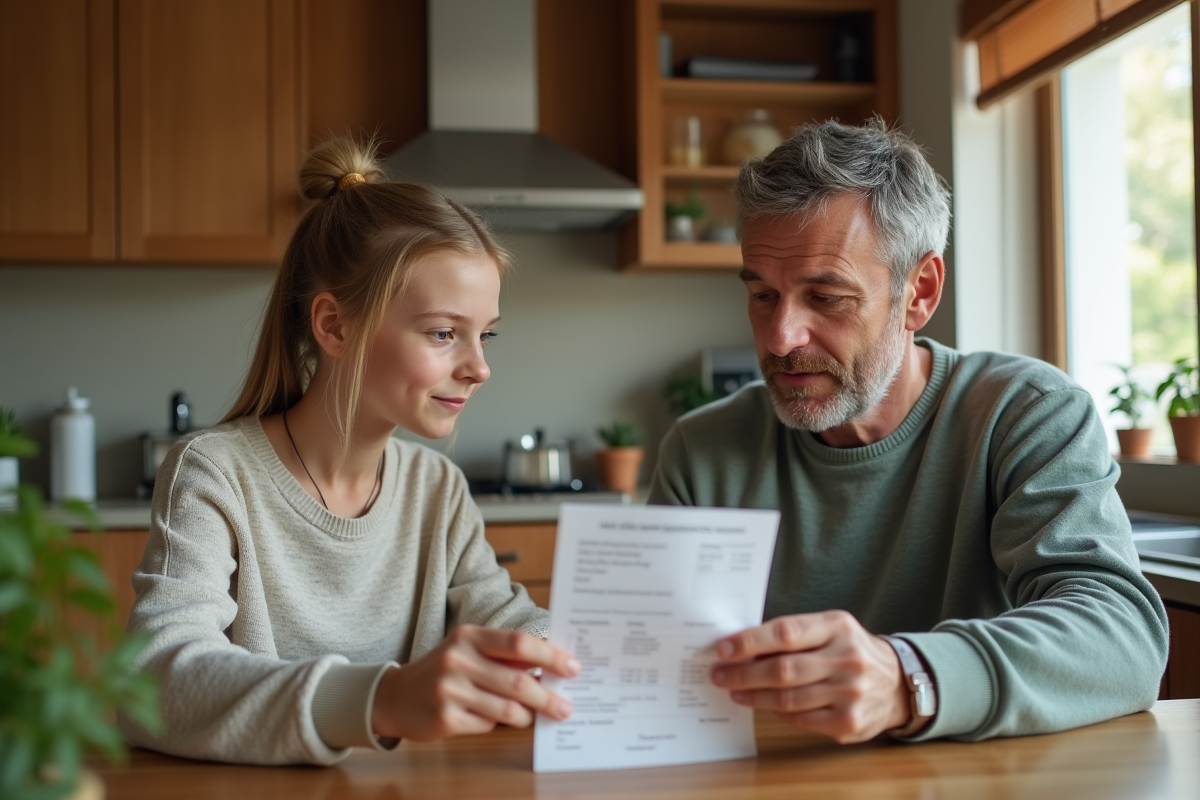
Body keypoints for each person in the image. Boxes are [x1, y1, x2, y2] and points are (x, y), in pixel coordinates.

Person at [649, 118, 1168, 744]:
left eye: (826, 297)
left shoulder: (1027, 414)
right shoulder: (702, 452)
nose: (781, 338)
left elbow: (1123, 638)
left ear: (918, 293)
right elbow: (649, 666)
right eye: (763, 295)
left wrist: (907, 678)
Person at [120, 138, 579, 765]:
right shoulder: (215, 473)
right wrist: (380, 699)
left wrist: (555, 654)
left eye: (485, 336)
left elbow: (506, 616)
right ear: (334, 325)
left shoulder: (436, 488)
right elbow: (156, 681)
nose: (479, 368)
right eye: (445, 333)